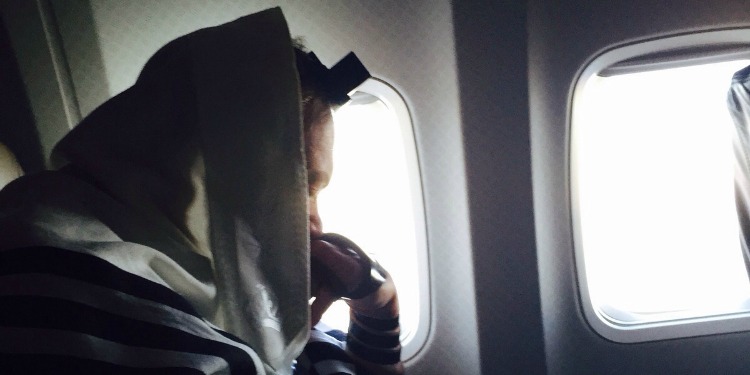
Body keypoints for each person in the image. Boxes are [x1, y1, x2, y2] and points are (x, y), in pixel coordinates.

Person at [0, 7, 402, 375]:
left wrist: (376, 306)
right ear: (199, 162)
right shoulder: (67, 278)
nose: (316, 224)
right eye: (299, 187)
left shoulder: (191, 265)